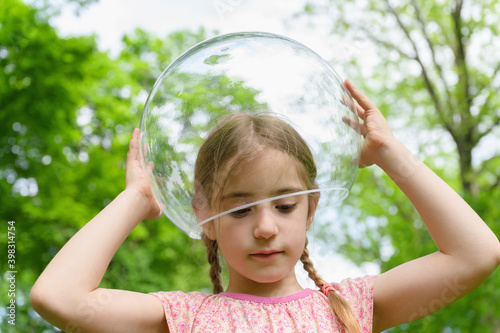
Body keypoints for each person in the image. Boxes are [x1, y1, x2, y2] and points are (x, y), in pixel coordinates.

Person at [30, 80, 500, 333]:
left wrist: (391, 156)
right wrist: (135, 200)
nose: (265, 228)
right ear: (203, 215)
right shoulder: (184, 319)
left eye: (286, 206)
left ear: (311, 209)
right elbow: (58, 299)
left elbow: (476, 254)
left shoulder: (349, 309)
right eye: (238, 210)